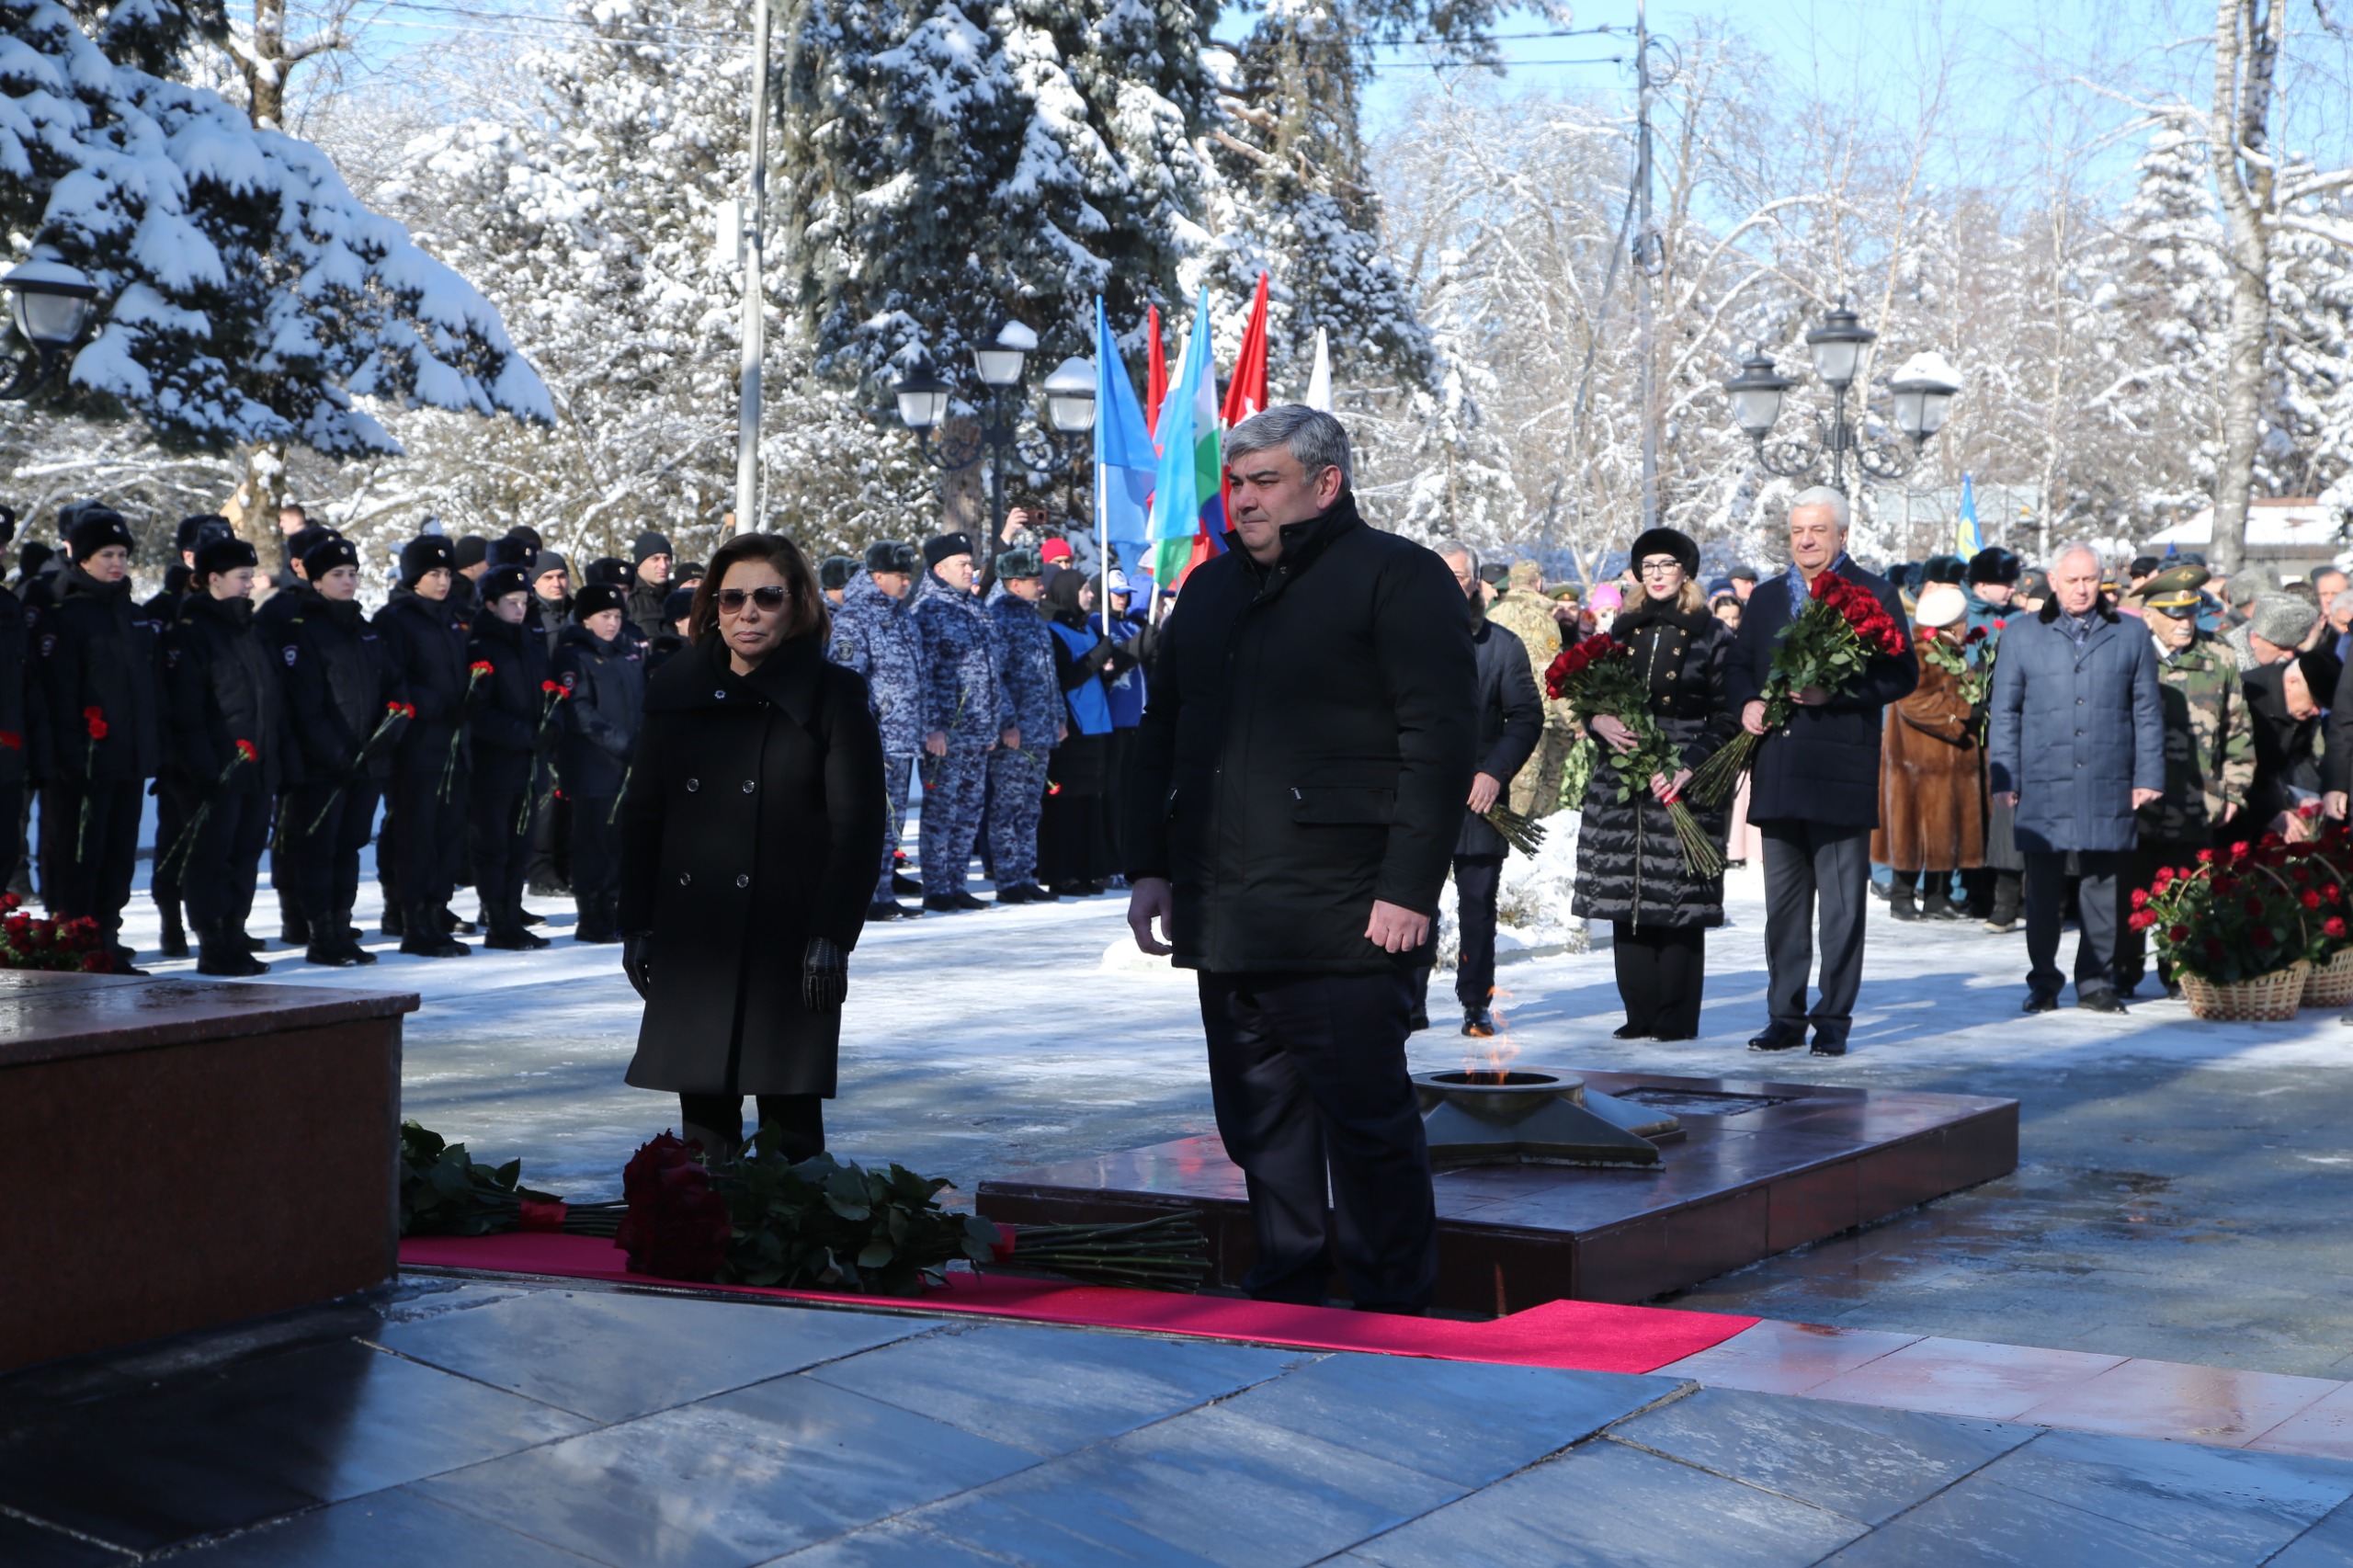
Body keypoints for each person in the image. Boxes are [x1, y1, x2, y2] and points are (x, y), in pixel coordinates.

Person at [1125, 404, 1475, 1315]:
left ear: (1326, 483)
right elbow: (1160, 732)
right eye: (1236, 483)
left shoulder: (1396, 578)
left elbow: (1437, 742)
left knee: (1365, 1127)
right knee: (1259, 1124)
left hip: (1348, 911)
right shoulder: (1208, 591)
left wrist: (1407, 888)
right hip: (1227, 907)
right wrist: (1148, 866)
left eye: (1264, 481)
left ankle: (1392, 1299)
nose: (1243, 500)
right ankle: (1286, 1281)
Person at [618, 531, 885, 1163]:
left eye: (768, 596)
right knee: (704, 1130)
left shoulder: (832, 694)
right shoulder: (675, 690)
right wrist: (635, 923)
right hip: (694, 933)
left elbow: (858, 828)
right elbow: (643, 815)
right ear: (712, 605)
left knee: (790, 1130)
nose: (749, 612)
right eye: (732, 598)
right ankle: (706, 1240)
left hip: (787, 935)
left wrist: (833, 935)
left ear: (799, 605)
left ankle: (793, 1254)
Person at [1723, 486, 1917, 1056]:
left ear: (1842, 536)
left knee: (1840, 909)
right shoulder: (1764, 599)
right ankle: (1783, 1016)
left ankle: (1833, 1019)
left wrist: (1834, 689)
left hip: (1839, 768)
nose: (1806, 540)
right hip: (1779, 769)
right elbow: (1738, 668)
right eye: (1797, 532)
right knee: (1783, 910)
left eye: (1817, 531)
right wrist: (1746, 704)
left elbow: (1902, 674)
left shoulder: (1874, 593)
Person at [1570, 527, 1733, 1041]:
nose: (1657, 574)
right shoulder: (1620, 630)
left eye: (1667, 564)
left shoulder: (1711, 634)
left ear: (1685, 571)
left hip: (1683, 773)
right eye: (1649, 566)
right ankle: (1638, 1012)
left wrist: (1689, 764)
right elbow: (1590, 697)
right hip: (1622, 774)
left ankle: (1676, 1017)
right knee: (1627, 893)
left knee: (1678, 897)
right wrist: (1597, 721)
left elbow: (1728, 715)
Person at [1987, 542, 2165, 1013]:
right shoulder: (2022, 635)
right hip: (2043, 777)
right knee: (2043, 890)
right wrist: (2004, 776)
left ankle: (2095, 982)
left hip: (2109, 775)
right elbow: (2003, 711)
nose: (2082, 589)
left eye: (2090, 579)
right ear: (2053, 581)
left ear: (2101, 580)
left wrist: (2148, 773)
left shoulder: (2130, 633)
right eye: (2072, 580)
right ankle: (2043, 982)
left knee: (2103, 884)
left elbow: (2147, 710)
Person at [35, 507, 164, 971]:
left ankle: (107, 939)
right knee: (76, 859)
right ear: (82, 558)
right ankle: (73, 945)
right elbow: (59, 692)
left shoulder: (132, 615)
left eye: (123, 553)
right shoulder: (67, 616)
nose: (117, 562)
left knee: (116, 859)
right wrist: (73, 757)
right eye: (106, 554)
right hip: (82, 765)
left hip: (126, 760)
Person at [2120, 564, 2254, 997]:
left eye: (2191, 613)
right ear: (2150, 615)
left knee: (2189, 897)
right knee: (2130, 894)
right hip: (2135, 806)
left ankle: (2180, 974)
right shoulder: (2128, 653)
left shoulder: (2220, 656)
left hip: (2198, 802)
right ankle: (2122, 973)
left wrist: (2235, 789)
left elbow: (2237, 729)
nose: (2185, 623)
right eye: (2174, 615)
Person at [1427, 541, 1541, 1038]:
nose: (1451, 584)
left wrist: (1494, 772)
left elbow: (1526, 717)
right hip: (1420, 798)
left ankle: (1476, 1002)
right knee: (1412, 902)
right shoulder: (1403, 640)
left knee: (1477, 908)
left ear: (1476, 583)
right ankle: (1407, 1000)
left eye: (1459, 575)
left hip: (1481, 799)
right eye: (1441, 574)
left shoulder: (1503, 645)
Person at [278, 536, 408, 968]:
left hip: (366, 763)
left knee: (349, 846)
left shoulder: (365, 629)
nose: (348, 581)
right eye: (337, 575)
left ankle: (341, 925)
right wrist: (338, 755)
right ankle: (320, 933)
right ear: (316, 582)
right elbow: (306, 705)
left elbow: (393, 684)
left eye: (352, 573)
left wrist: (391, 724)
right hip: (324, 768)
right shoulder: (305, 632)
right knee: (319, 848)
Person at [159, 538, 286, 974]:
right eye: (242, 577)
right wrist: (205, 770)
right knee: (211, 857)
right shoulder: (192, 633)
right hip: (214, 769)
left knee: (245, 854)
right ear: (213, 579)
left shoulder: (250, 630)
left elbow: (267, 701)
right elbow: (185, 711)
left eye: (251, 576)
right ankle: (212, 941)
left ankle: (235, 933)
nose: (250, 584)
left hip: (255, 767)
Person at [373, 534, 474, 957]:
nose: (443, 580)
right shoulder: (396, 619)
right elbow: (394, 680)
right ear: (415, 576)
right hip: (417, 746)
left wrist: (473, 696)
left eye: (447, 573)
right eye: (434, 573)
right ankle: (412, 918)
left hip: (454, 745)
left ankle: (437, 912)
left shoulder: (455, 617)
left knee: (448, 835)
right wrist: (436, 706)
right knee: (417, 836)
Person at [911, 531, 1014, 913]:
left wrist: (995, 724)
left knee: (969, 812)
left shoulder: (974, 607)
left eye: (970, 563)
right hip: (947, 734)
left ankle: (956, 883)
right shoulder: (929, 609)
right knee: (941, 812)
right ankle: (936, 886)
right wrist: (934, 726)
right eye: (963, 564)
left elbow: (991, 672)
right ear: (940, 569)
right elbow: (926, 674)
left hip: (977, 731)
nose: (971, 570)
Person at [1872, 583, 1984, 921]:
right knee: (1913, 830)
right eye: (1963, 619)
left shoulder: (1950, 651)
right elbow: (1914, 703)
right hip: (1917, 762)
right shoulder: (1921, 653)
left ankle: (1938, 896)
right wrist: (1960, 713)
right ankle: (1902, 897)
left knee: (1944, 828)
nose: (1967, 625)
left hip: (1945, 761)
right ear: (1952, 622)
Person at [829, 540, 927, 918]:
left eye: (908, 576)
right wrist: (864, 732)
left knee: (893, 821)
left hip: (903, 738)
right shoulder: (854, 617)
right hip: (875, 739)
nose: (906, 583)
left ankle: (883, 891)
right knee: (869, 821)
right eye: (900, 576)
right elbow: (849, 680)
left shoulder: (902, 616)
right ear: (877, 576)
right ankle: (865, 896)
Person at [465, 565, 555, 952]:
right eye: (510, 603)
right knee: (495, 844)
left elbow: (545, 689)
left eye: (523, 603)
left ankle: (512, 912)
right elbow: (478, 709)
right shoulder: (481, 644)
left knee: (519, 843)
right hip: (495, 761)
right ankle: (497, 919)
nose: (519, 610)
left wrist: (552, 723)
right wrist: (524, 735)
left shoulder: (529, 642)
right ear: (490, 604)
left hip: (527, 760)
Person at [551, 581, 646, 943]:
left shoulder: (626, 652)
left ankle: (613, 904)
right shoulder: (574, 654)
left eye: (617, 615)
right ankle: (591, 912)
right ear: (586, 619)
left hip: (626, 765)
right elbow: (579, 710)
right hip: (593, 764)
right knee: (593, 841)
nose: (613, 622)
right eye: (604, 616)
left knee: (619, 840)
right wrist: (623, 743)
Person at [982, 549, 1060, 903]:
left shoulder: (1033, 618)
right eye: (1034, 581)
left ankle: (1026, 875)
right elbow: (994, 677)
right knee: (1007, 807)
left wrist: (1059, 716)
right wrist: (1007, 723)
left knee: (1031, 807)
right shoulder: (997, 618)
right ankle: (1007, 879)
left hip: (1041, 728)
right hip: (1015, 734)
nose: (1041, 587)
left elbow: (1048, 675)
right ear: (1015, 584)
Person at [1039, 570, 1116, 895]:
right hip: (1072, 727)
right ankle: (1063, 871)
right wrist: (1098, 656)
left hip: (1095, 724)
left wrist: (1107, 666)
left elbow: (1095, 677)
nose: (1090, 594)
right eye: (1084, 589)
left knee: (1089, 803)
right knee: (1066, 804)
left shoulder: (1086, 629)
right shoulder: (1054, 631)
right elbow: (1066, 677)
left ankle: (1088, 869)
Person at [1486, 559, 1573, 824]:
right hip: (1532, 713)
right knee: (1527, 788)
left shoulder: (1492, 616)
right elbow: (1553, 670)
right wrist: (1573, 716)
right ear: (1539, 584)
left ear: (1511, 584)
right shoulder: (1543, 619)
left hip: (1493, 713)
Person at [2243, 648, 2338, 838]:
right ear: (2292, 683)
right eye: (2313, 703)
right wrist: (2270, 813)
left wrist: (2306, 795)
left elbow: (2300, 754)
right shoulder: (2248, 698)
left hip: (2272, 795)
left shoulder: (2302, 710)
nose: (2316, 712)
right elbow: (2232, 767)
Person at [2229, 595, 2320, 673]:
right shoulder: (2227, 668)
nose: (2290, 655)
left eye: (2294, 647)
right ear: (2255, 639)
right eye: (2282, 647)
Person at [627, 530, 673, 639]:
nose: (663, 565)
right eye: (655, 559)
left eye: (667, 559)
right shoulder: (627, 598)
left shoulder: (675, 597)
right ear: (640, 563)